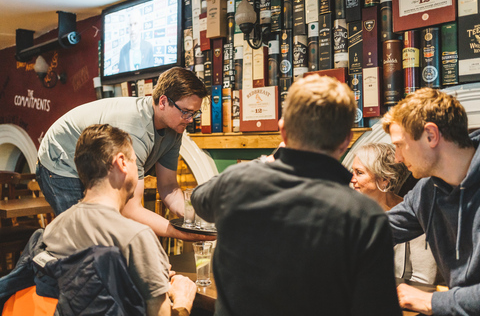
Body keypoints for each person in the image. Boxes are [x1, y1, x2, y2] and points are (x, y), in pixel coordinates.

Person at [191, 75, 402, 315]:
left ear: (283, 131)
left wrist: (267, 160)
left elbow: (199, 198)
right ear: (346, 141)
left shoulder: (236, 181)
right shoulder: (364, 216)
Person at [36, 67, 211, 241]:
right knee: (83, 239)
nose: (190, 120)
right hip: (61, 159)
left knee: (102, 237)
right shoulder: (136, 130)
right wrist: (176, 232)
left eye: (194, 113)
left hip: (94, 162)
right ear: (163, 102)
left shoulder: (174, 130)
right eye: (186, 112)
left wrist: (195, 218)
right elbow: (130, 210)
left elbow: (169, 188)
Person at [42, 124, 197, 316]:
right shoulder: (136, 236)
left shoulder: (53, 229)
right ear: (122, 162)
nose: (139, 171)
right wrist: (184, 300)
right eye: (136, 162)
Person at [383, 87, 480, 315]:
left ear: (431, 135)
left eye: (399, 145)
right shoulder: (427, 190)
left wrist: (430, 301)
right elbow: (378, 229)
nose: (397, 158)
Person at [351, 142, 438, 284]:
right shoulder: (353, 211)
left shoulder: (412, 216)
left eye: (359, 173)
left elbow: (423, 279)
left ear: (384, 179)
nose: (352, 179)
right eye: (352, 172)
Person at [118, 9, 154, 73]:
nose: (132, 29)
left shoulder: (148, 47)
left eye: (135, 24)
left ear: (140, 26)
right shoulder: (123, 51)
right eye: (130, 25)